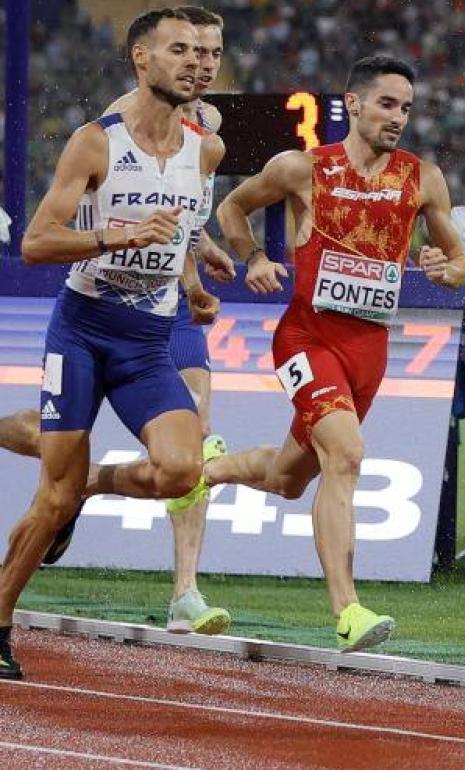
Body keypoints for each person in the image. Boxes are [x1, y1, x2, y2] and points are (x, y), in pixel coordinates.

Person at [205, 54, 465, 652]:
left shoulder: (423, 178)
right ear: (353, 104)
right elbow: (231, 208)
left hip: (370, 348)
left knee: (288, 477)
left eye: (405, 107)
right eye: (386, 104)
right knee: (345, 455)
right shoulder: (303, 167)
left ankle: (207, 469)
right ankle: (348, 610)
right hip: (307, 338)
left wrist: (443, 267)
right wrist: (253, 259)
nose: (397, 117)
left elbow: (458, 262)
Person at [0, 8, 229, 679]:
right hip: (83, 332)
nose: (198, 64)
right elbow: (36, 243)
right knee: (51, 500)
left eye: (207, 54)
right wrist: (117, 236)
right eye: (180, 51)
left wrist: (189, 282)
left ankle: (86, 488)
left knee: (182, 471)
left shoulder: (206, 150)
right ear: (142, 59)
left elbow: (180, 226)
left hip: (149, 342)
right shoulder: (95, 142)